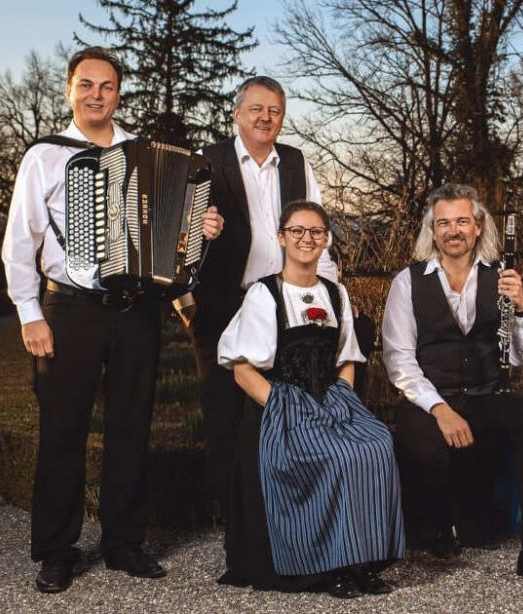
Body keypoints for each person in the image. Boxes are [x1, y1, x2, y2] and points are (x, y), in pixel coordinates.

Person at [1, 46, 223, 593]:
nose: (96, 94)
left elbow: (174, 238)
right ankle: (57, 550)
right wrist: (30, 314)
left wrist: (202, 226)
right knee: (63, 429)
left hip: (139, 312)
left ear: (118, 93)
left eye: (106, 86)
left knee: (132, 426)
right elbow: (17, 244)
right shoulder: (45, 157)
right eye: (85, 85)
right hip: (69, 310)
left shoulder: (145, 153)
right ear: (69, 91)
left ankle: (124, 542)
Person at [382, 183, 523, 586]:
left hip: (487, 394)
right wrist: (440, 409)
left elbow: (521, 356)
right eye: (444, 223)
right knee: (425, 444)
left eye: (462, 222)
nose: (454, 231)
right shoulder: (407, 282)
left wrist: (521, 307)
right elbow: (398, 359)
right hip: (430, 400)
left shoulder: (500, 277)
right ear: (432, 231)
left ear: (478, 226)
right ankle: (439, 526)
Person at [216, 201, 404, 596]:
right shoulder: (264, 295)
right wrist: (287, 408)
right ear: (282, 238)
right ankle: (323, 565)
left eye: (316, 232)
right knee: (328, 455)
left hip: (330, 400)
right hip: (280, 404)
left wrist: (342, 400)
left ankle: (361, 561)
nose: (307, 239)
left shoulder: (335, 294)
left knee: (376, 444)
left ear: (327, 240)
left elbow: (347, 359)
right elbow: (242, 369)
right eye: (297, 231)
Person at [186, 76, 340, 525]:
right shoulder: (207, 162)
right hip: (222, 302)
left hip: (283, 301)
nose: (265, 117)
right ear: (236, 114)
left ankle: (278, 509)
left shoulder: (295, 162)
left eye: (274, 111)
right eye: (256, 108)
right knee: (223, 411)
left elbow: (316, 233)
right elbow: (178, 239)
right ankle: (234, 518)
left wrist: (327, 296)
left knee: (280, 404)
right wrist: (199, 233)